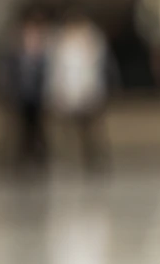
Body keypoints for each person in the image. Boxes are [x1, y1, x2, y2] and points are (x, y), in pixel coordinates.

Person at [45, 9, 114, 169]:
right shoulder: (59, 43)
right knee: (68, 130)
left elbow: (98, 69)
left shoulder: (93, 41)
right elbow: (56, 71)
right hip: (68, 92)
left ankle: (95, 157)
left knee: (92, 129)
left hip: (89, 91)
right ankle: (72, 158)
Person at [5, 4, 52, 169]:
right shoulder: (16, 50)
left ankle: (40, 156)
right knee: (23, 128)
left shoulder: (45, 50)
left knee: (38, 127)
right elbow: (11, 73)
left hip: (39, 95)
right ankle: (23, 156)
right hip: (22, 95)